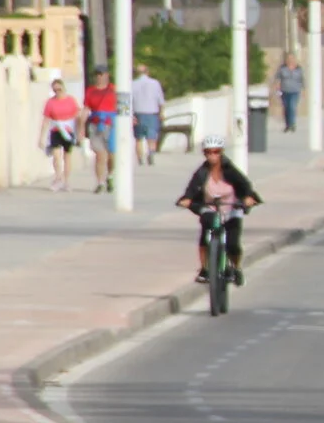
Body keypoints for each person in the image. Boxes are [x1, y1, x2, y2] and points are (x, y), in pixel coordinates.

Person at [176, 135, 261, 286]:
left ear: (221, 152)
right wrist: (187, 199)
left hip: (232, 207)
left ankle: (236, 267)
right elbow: (192, 188)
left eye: (216, 152)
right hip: (210, 207)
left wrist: (247, 197)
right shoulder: (202, 172)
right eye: (208, 152)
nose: (212, 156)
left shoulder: (230, 170)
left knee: (233, 243)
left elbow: (245, 185)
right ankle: (204, 269)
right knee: (205, 232)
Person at [83, 67, 118, 196]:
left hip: (112, 125)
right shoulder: (90, 91)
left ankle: (110, 175)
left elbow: (124, 106)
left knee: (112, 155)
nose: (99, 77)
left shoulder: (115, 89)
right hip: (96, 125)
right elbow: (86, 108)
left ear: (107, 75)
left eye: (101, 74)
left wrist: (128, 120)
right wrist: (81, 127)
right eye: (97, 74)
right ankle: (100, 182)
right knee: (100, 155)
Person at [41, 78, 79, 192]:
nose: (57, 92)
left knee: (67, 157)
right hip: (56, 131)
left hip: (68, 131)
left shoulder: (71, 101)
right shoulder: (50, 102)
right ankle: (58, 177)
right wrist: (41, 136)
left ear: (63, 88)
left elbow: (77, 116)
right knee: (56, 156)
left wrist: (79, 132)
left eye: (59, 89)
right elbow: (46, 119)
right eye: (55, 90)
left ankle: (66, 181)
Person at [126, 62, 166, 165]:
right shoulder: (155, 83)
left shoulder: (132, 84)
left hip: (138, 113)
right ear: (147, 72)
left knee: (139, 138)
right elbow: (160, 100)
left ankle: (140, 159)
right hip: (152, 113)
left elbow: (129, 101)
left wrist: (131, 115)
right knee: (151, 137)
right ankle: (151, 153)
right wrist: (162, 113)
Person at [276, 52, 304, 133]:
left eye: (292, 58)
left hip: (295, 91)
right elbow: (278, 78)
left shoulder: (298, 69)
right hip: (284, 91)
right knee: (286, 108)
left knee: (292, 107)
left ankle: (292, 124)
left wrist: (304, 89)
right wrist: (277, 89)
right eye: (288, 58)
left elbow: (302, 79)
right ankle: (287, 124)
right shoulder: (282, 68)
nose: (290, 60)